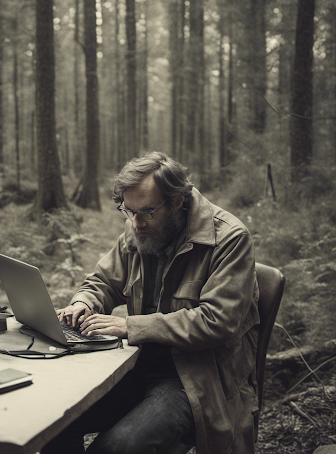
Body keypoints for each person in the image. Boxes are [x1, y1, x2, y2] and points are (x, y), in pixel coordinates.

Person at [41, 151, 260, 454]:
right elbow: (103, 282)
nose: (135, 223)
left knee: (118, 447)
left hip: (194, 380)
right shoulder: (139, 231)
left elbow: (218, 321)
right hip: (134, 367)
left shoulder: (230, 239)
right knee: (53, 421)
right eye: (128, 211)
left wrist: (129, 326)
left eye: (146, 212)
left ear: (177, 203)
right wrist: (83, 302)